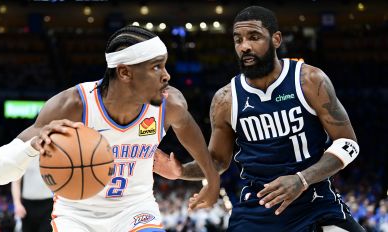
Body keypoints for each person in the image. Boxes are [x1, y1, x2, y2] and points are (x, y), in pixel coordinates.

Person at [153, 6, 365, 232]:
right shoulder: (226, 99)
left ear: (276, 39)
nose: (245, 46)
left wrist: (301, 179)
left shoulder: (309, 80)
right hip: (258, 210)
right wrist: (181, 171)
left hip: (315, 201)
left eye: (254, 37)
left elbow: (348, 144)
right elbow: (217, 161)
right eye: (238, 40)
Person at [0, 25, 220, 232]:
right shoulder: (73, 105)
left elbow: (192, 135)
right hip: (77, 216)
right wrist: (32, 145)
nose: (166, 75)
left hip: (136, 209)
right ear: (124, 72)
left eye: (165, 65)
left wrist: (212, 180)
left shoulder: (170, 104)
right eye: (156, 67)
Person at [11, 156, 53, 232]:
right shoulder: (23, 154)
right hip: (28, 205)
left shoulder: (52, 152)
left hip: (49, 204)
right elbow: (15, 182)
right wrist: (17, 204)